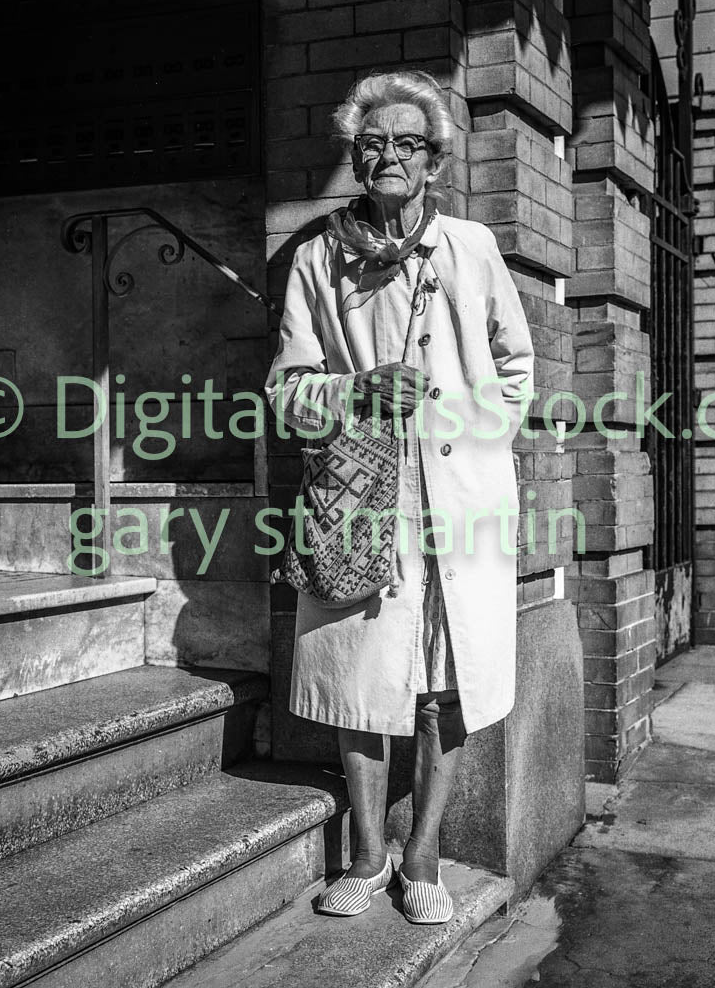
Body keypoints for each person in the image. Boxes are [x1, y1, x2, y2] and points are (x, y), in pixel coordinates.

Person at [264, 70, 534, 925]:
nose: (388, 156)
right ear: (354, 155)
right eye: (372, 143)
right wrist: (356, 390)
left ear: (433, 163)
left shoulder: (472, 248)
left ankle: (423, 857)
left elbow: (517, 367)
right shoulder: (317, 258)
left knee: (443, 684)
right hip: (357, 499)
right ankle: (367, 856)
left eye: (406, 144)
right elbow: (287, 390)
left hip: (458, 501)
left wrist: (467, 432)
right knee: (363, 681)